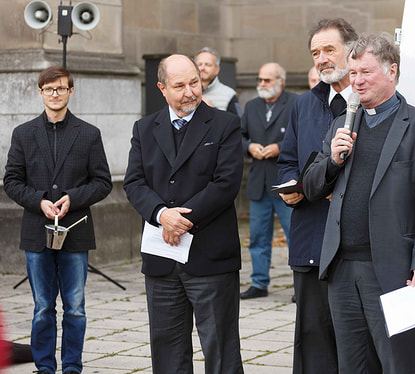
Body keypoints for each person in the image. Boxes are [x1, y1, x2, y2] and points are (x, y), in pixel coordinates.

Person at [303, 33, 415, 374]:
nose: (356, 81)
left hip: (393, 273)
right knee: (351, 367)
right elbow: (310, 187)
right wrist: (333, 161)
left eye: (365, 72)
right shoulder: (343, 123)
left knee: (396, 364)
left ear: (391, 71)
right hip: (341, 269)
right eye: (352, 73)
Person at [123, 54, 244, 374]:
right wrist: (162, 214)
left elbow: (226, 183)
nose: (190, 91)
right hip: (161, 260)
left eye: (195, 82)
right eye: (180, 86)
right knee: (167, 349)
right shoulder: (145, 128)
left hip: (211, 257)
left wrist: (182, 220)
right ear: (162, 88)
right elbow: (134, 182)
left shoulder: (225, 124)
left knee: (221, 349)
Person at [277, 18, 381, 374]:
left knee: (360, 345)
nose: (321, 59)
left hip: (356, 246)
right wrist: (291, 185)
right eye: (315, 53)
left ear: (351, 51)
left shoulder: (372, 103)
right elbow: (287, 160)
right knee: (313, 338)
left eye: (328, 50)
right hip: (310, 241)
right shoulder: (304, 105)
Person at [3, 66, 112, 374]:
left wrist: (73, 198)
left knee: (75, 307)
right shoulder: (23, 133)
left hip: (75, 232)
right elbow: (11, 180)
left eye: (60, 89)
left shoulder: (89, 134)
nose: (54, 94)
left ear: (70, 92)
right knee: (42, 307)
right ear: (40, 93)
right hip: (36, 232)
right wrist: (38, 201)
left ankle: (72, 367)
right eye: (49, 89)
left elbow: (103, 182)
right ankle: (45, 367)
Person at [240, 63, 298, 299]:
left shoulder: (295, 103)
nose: (262, 84)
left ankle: (300, 285)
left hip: (285, 182)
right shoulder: (252, 106)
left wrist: (279, 148)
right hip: (259, 182)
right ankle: (259, 282)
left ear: (281, 82)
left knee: (295, 235)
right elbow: (239, 136)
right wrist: (249, 146)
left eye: (268, 80)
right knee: (258, 237)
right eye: (260, 79)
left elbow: (305, 137)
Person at [195, 47, 243, 117]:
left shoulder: (229, 94)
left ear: (217, 69)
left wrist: (213, 110)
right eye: (199, 64)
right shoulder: (186, 91)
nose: (202, 68)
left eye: (207, 64)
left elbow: (238, 123)